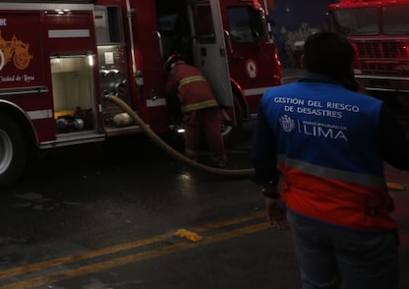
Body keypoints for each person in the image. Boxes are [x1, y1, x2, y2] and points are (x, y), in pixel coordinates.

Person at [253, 31, 409, 289]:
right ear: (349, 65)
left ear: (303, 61)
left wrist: (270, 193)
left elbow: (262, 155)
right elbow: (403, 158)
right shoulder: (370, 109)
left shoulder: (272, 99)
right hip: (361, 223)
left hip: (303, 216)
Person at [163, 53, 227, 168]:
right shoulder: (194, 69)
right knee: (213, 130)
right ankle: (220, 159)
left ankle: (191, 158)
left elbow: (169, 90)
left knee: (192, 130)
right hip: (210, 102)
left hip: (192, 104)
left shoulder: (175, 72)